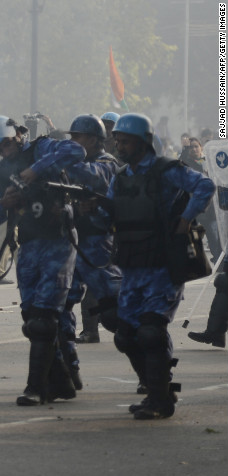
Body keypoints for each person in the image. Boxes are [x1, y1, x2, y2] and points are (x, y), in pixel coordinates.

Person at [105, 113, 214, 419]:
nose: (120, 146)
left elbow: (204, 185)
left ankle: (160, 399)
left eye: (125, 141)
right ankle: (154, 388)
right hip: (132, 266)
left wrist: (185, 218)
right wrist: (90, 210)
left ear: (142, 143)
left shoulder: (166, 170)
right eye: (117, 141)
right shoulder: (121, 177)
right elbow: (111, 212)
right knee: (125, 334)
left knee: (151, 331)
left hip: (163, 266)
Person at [0, 115, 84, 406]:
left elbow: (76, 151)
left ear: (16, 136)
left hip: (58, 241)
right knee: (31, 318)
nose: (3, 153)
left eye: (5, 145)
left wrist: (35, 171)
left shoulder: (42, 149)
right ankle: (61, 380)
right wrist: (5, 204)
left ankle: (35, 388)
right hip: (27, 246)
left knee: (44, 320)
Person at [59, 115, 123, 388]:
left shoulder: (106, 164)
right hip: (74, 243)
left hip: (99, 245)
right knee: (58, 308)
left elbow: (92, 178)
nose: (74, 142)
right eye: (71, 137)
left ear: (95, 140)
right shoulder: (75, 163)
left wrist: (61, 158)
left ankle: (154, 376)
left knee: (118, 313)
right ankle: (68, 373)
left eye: (79, 137)